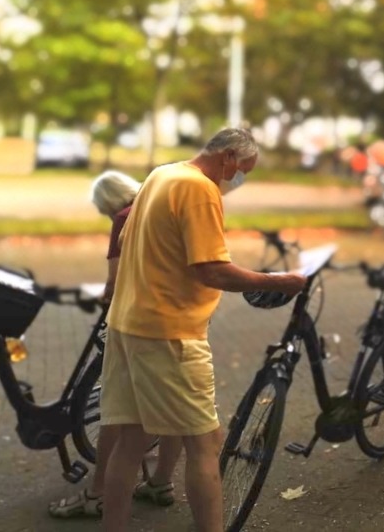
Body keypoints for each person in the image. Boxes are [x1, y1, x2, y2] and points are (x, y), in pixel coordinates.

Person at [100, 129, 306, 532]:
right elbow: (212, 270)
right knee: (205, 444)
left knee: (129, 442)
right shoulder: (199, 189)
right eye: (243, 170)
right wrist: (279, 281)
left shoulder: (162, 175)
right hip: (169, 333)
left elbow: (129, 240)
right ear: (228, 157)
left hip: (127, 324)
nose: (238, 180)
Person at [47, 172, 184, 519]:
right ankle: (161, 482)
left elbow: (115, 279)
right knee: (176, 411)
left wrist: (103, 297)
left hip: (138, 326)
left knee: (117, 410)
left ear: (110, 203)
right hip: (181, 323)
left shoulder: (125, 219)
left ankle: (98, 494)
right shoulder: (167, 206)